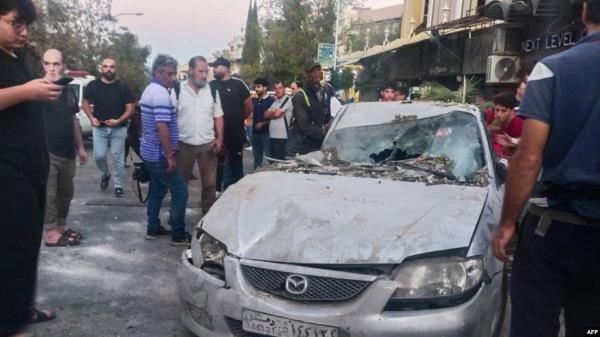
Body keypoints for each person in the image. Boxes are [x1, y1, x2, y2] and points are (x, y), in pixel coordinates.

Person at [491, 1, 600, 336]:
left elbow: (528, 158)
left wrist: (508, 223)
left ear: (584, 12)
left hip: (557, 230)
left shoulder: (552, 68)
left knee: (534, 323)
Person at [0, 1, 64, 336]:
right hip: (7, 170)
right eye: (16, 24)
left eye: (28, 25)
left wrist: (38, 88)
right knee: (12, 248)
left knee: (26, 246)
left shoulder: (18, 57)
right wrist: (27, 90)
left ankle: (20, 310)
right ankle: (11, 323)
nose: (24, 32)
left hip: (31, 166)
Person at [140, 54, 190, 246]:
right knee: (180, 191)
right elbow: (162, 127)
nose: (173, 78)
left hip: (150, 152)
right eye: (169, 74)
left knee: (158, 190)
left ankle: (153, 228)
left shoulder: (149, 90)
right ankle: (178, 234)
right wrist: (169, 155)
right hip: (159, 154)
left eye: (174, 74)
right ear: (158, 72)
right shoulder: (160, 94)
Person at [41, 49, 88, 247]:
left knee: (65, 193)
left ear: (63, 65)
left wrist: (81, 148)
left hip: (67, 152)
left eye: (56, 63)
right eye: (48, 63)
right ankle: (50, 233)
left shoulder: (68, 90)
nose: (52, 68)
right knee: (49, 195)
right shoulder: (38, 89)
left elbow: (74, 120)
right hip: (47, 152)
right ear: (43, 65)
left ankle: (61, 227)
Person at [177, 56, 224, 214]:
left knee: (210, 185)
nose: (204, 75)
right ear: (190, 71)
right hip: (183, 144)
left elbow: (218, 116)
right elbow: (169, 119)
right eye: (200, 71)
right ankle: (177, 217)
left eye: (206, 71)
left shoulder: (212, 91)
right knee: (180, 184)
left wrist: (220, 139)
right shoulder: (177, 91)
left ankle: (207, 218)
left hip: (208, 145)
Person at [82, 57, 135, 198]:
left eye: (111, 67)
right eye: (105, 67)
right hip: (99, 128)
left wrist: (118, 121)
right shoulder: (93, 85)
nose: (109, 69)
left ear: (115, 69)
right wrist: (91, 117)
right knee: (99, 156)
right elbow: (85, 102)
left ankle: (118, 186)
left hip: (118, 129)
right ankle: (106, 174)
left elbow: (130, 109)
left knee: (118, 158)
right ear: (101, 69)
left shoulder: (123, 87)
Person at [210, 57, 252, 190]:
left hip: (236, 134)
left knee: (236, 167)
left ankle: (238, 195)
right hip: (216, 135)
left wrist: (239, 118)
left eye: (216, 67)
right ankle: (215, 194)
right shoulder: (211, 85)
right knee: (217, 167)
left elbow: (249, 106)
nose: (214, 69)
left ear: (225, 68)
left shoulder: (239, 84)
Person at [286, 62, 331, 156]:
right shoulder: (300, 96)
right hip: (299, 147)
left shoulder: (325, 92)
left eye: (318, 70)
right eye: (312, 71)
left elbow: (328, 117)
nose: (316, 73)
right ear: (307, 74)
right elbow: (304, 126)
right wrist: (324, 131)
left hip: (317, 145)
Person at [264, 80, 293, 160]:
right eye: (276, 88)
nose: (278, 90)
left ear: (284, 89)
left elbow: (276, 114)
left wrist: (272, 114)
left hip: (282, 138)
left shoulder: (288, 101)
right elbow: (265, 115)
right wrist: (273, 114)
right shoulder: (275, 102)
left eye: (280, 88)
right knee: (273, 162)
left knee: (279, 163)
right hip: (272, 137)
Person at [490, 92, 523, 159]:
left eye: (503, 111)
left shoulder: (518, 124)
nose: (499, 114)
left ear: (512, 111)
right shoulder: (505, 121)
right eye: (497, 110)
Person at [251, 77, 275, 168]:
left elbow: (274, 118)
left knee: (270, 158)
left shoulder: (271, 101)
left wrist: (263, 124)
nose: (256, 89)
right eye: (255, 87)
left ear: (265, 88)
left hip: (266, 134)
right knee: (257, 159)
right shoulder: (255, 100)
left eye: (258, 86)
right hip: (255, 134)